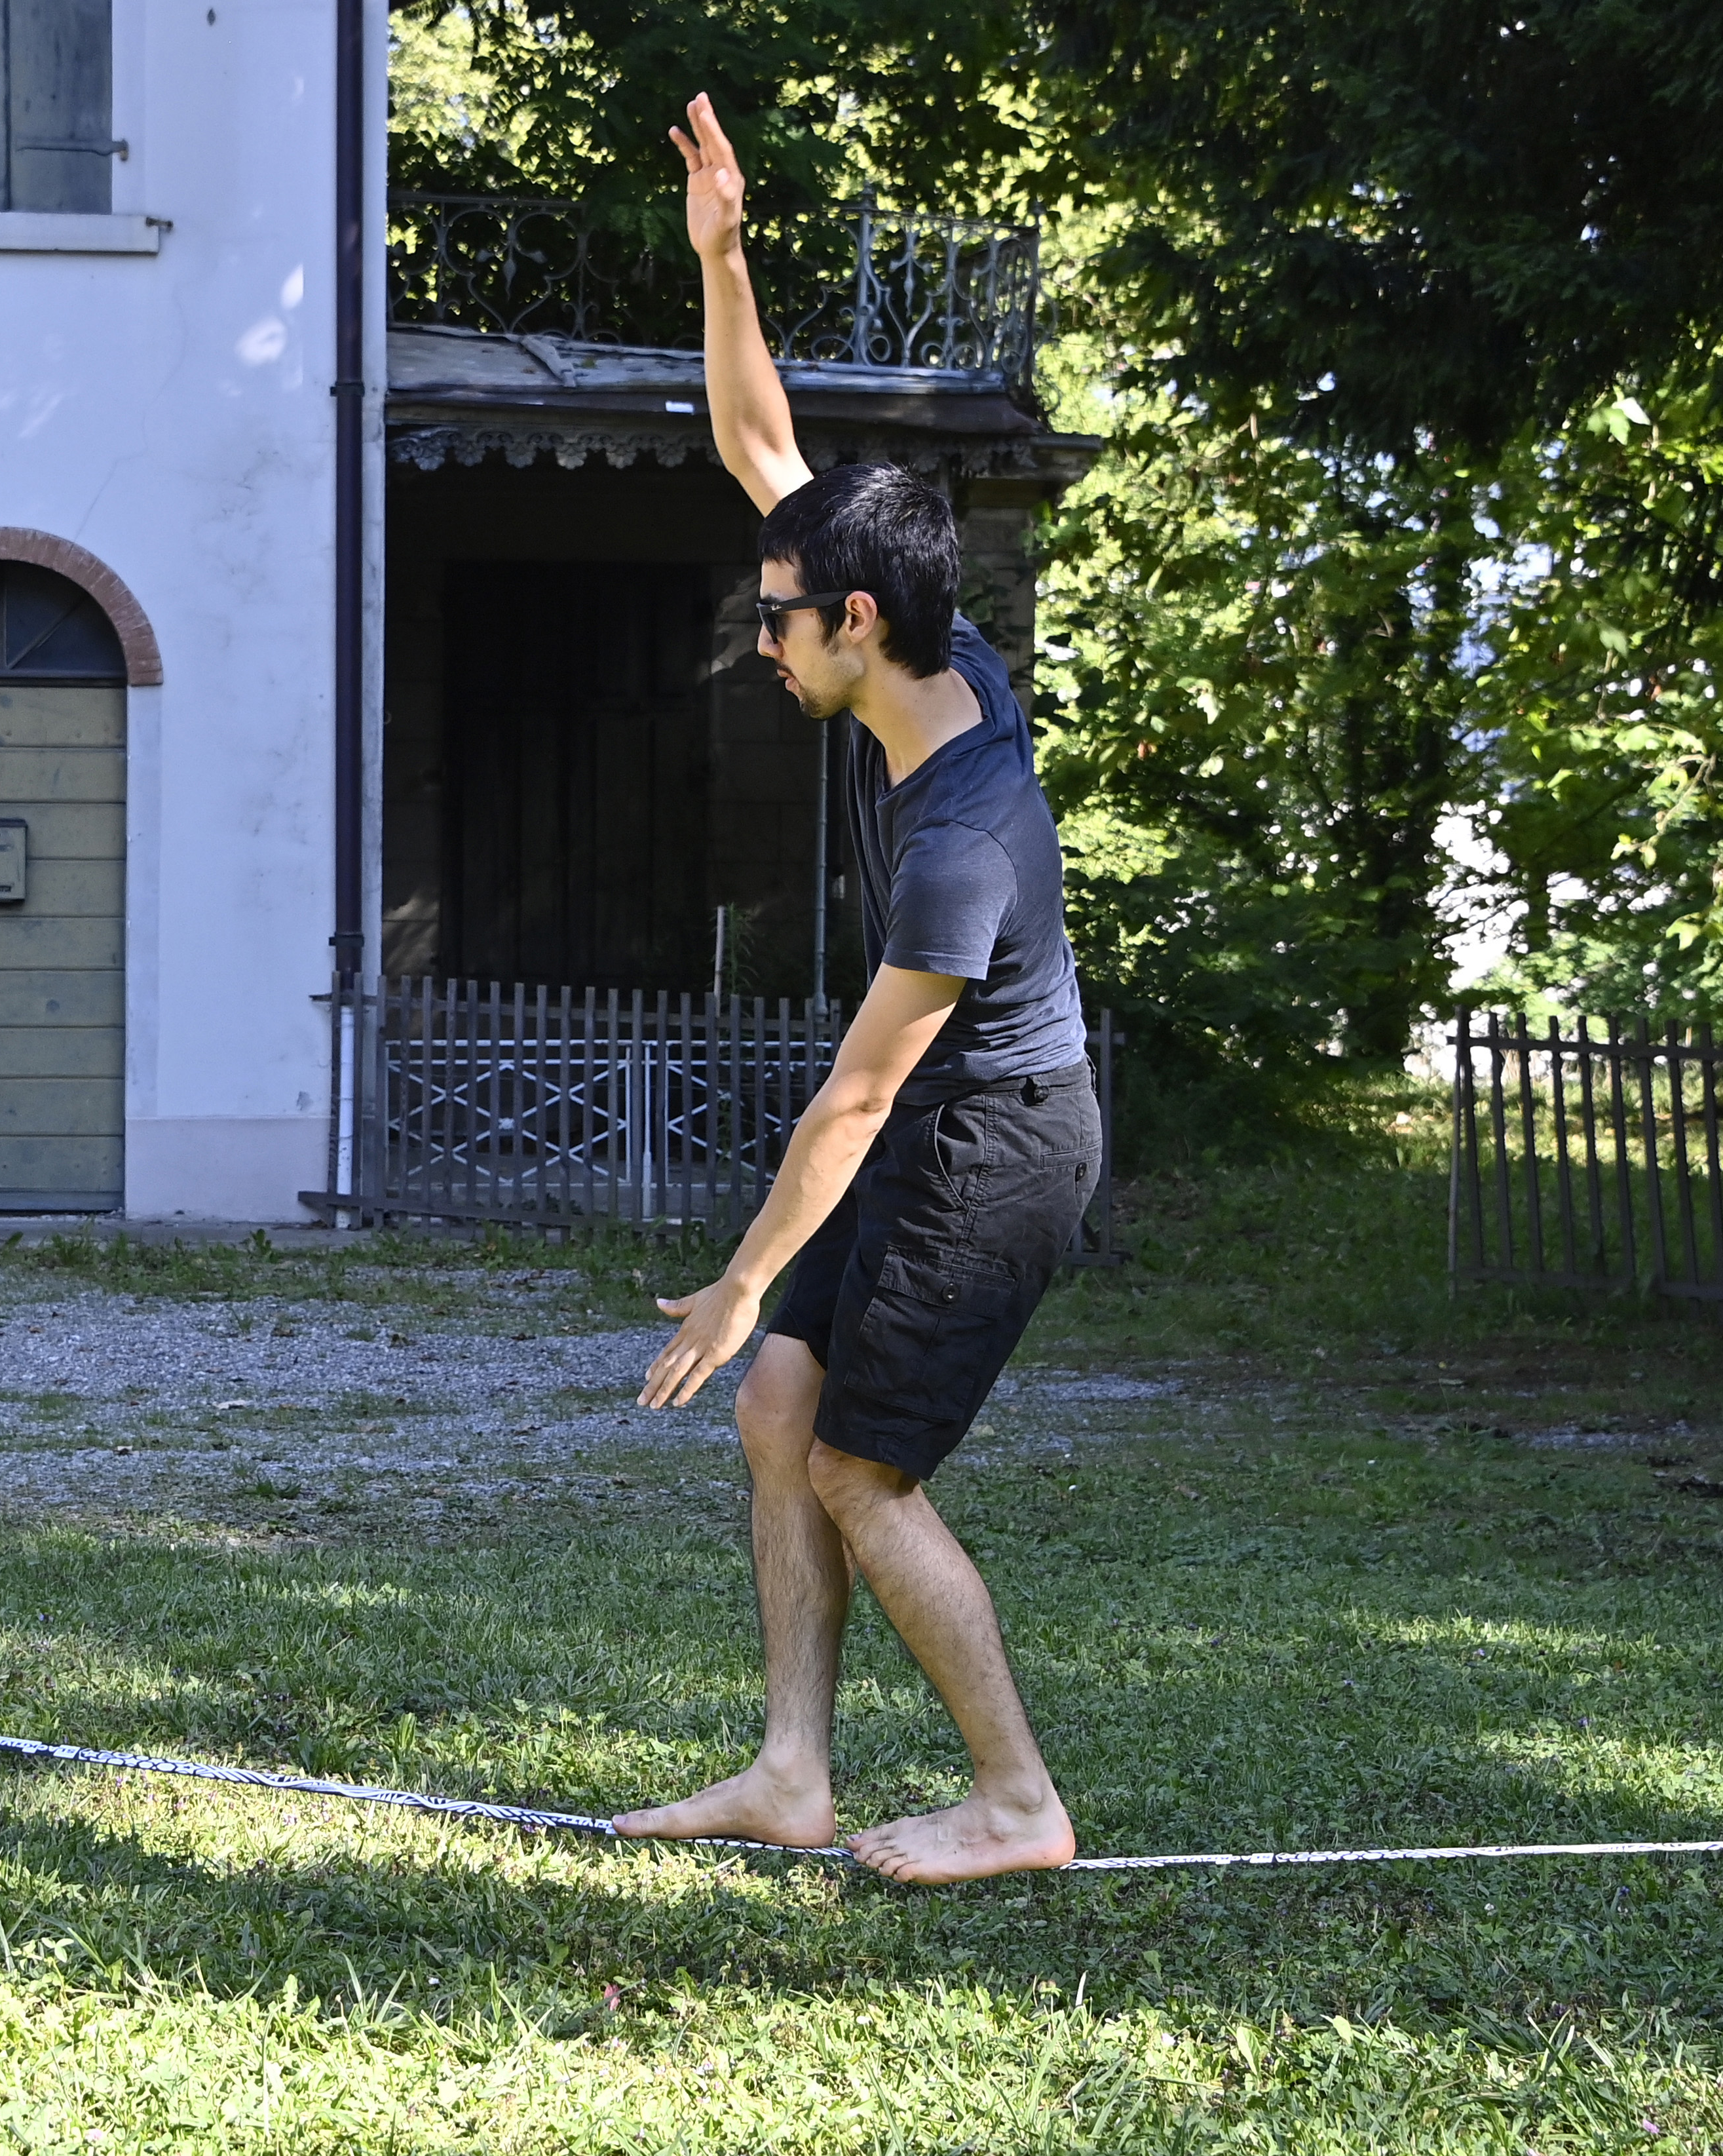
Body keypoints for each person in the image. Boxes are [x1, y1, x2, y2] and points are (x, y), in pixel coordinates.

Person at [615, 94, 1102, 1885]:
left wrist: (743, 1277)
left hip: (1002, 1149)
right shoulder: (924, 640)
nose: (763, 644)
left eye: (780, 622)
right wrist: (722, 252)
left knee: (853, 1469)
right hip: (940, 1116)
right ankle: (794, 1770)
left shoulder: (955, 841)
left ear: (860, 627)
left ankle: (1017, 1802)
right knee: (774, 1412)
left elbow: (857, 1101)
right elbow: (761, 438)